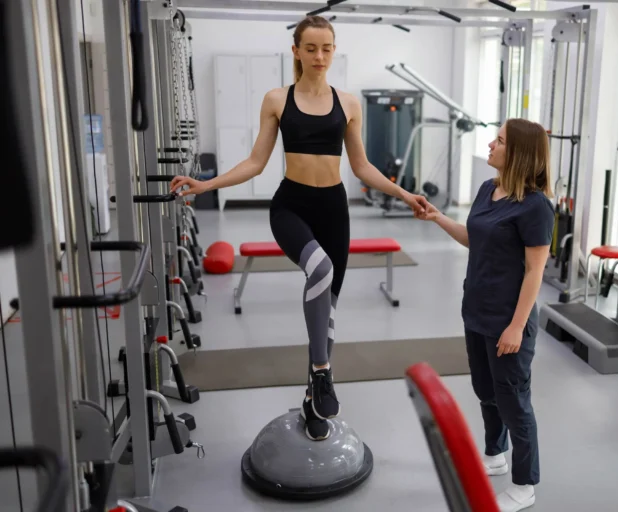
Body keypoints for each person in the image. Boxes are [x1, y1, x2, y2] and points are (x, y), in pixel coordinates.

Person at [170, 16, 428, 441]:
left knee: (327, 317)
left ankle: (313, 397)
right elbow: (256, 161)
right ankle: (324, 372)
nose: (320, 56)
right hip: (291, 206)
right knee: (320, 270)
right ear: (296, 51)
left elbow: (361, 166)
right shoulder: (277, 99)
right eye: (311, 48)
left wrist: (405, 195)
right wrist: (207, 184)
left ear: (333, 50)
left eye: (327, 48)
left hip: (333, 210)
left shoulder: (348, 104)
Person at [416, 118, 554, 512]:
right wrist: (438, 218)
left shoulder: (536, 206)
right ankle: (494, 454)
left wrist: (515, 326)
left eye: (500, 140)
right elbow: (473, 238)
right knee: (485, 391)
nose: (490, 145)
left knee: (514, 402)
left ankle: (524, 484)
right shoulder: (487, 190)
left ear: (520, 153)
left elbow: (534, 271)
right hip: (475, 311)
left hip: (508, 321)